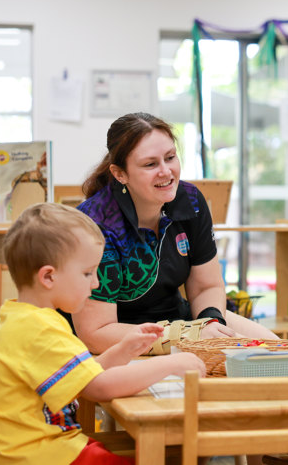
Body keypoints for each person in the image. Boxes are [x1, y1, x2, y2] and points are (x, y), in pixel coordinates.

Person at [0, 203, 206, 464]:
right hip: (43, 455)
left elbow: (82, 376)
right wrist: (171, 364)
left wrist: (122, 351)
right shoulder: (41, 329)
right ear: (48, 277)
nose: (96, 283)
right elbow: (98, 387)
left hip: (37, 451)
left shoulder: (20, 317)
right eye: (87, 273)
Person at [74, 112, 277, 353]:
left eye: (170, 158)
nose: (166, 172)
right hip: (119, 336)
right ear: (120, 174)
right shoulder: (95, 225)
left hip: (181, 322)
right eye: (150, 164)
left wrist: (211, 323)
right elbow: (95, 333)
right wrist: (188, 336)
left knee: (280, 351)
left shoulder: (191, 201)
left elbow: (206, 287)